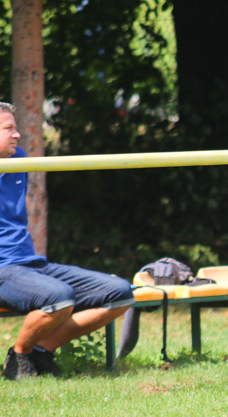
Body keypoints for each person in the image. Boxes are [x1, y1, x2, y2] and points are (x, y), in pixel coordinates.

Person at [0, 103, 135, 380]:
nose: (17, 135)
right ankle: (19, 357)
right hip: (3, 270)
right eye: (8, 129)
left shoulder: (19, 160)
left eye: (16, 127)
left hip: (29, 264)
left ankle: (38, 351)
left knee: (120, 293)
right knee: (58, 297)